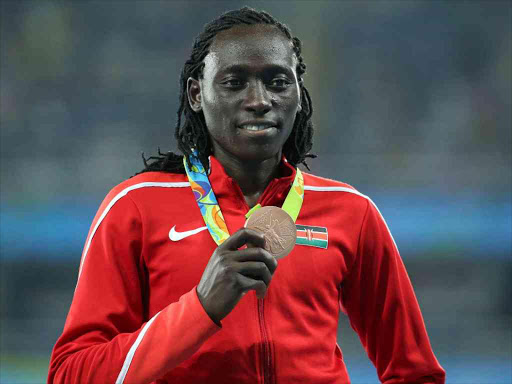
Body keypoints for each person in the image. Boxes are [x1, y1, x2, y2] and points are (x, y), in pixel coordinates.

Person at [48, 7, 446, 384]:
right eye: (235, 82)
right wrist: (200, 308)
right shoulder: (135, 207)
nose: (259, 101)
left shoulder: (351, 212)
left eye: (277, 82)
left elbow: (417, 373)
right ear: (195, 94)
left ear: (297, 93)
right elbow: (70, 374)